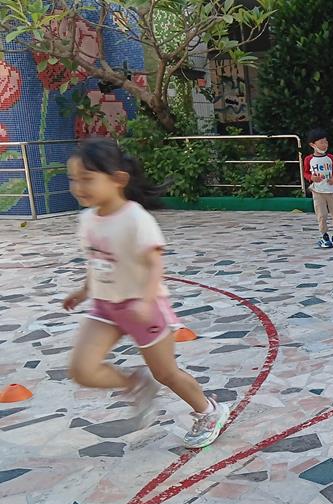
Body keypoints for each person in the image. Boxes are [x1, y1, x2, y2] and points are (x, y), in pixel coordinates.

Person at [62, 139, 229, 449]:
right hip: (105, 307)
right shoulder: (87, 219)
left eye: (87, 178)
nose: (78, 187)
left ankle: (210, 411)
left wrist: (145, 300)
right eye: (73, 179)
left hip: (145, 309)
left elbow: (154, 265)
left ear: (118, 179)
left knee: (166, 373)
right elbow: (96, 259)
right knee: (82, 369)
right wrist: (84, 291)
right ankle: (135, 382)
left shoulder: (136, 218)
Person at [302, 128, 333, 248]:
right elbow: (305, 173)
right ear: (312, 144)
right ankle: (324, 236)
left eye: (326, 142)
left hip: (332, 191)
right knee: (322, 215)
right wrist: (311, 177)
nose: (325, 144)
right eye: (321, 142)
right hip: (318, 191)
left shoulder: (330, 157)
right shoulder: (308, 159)